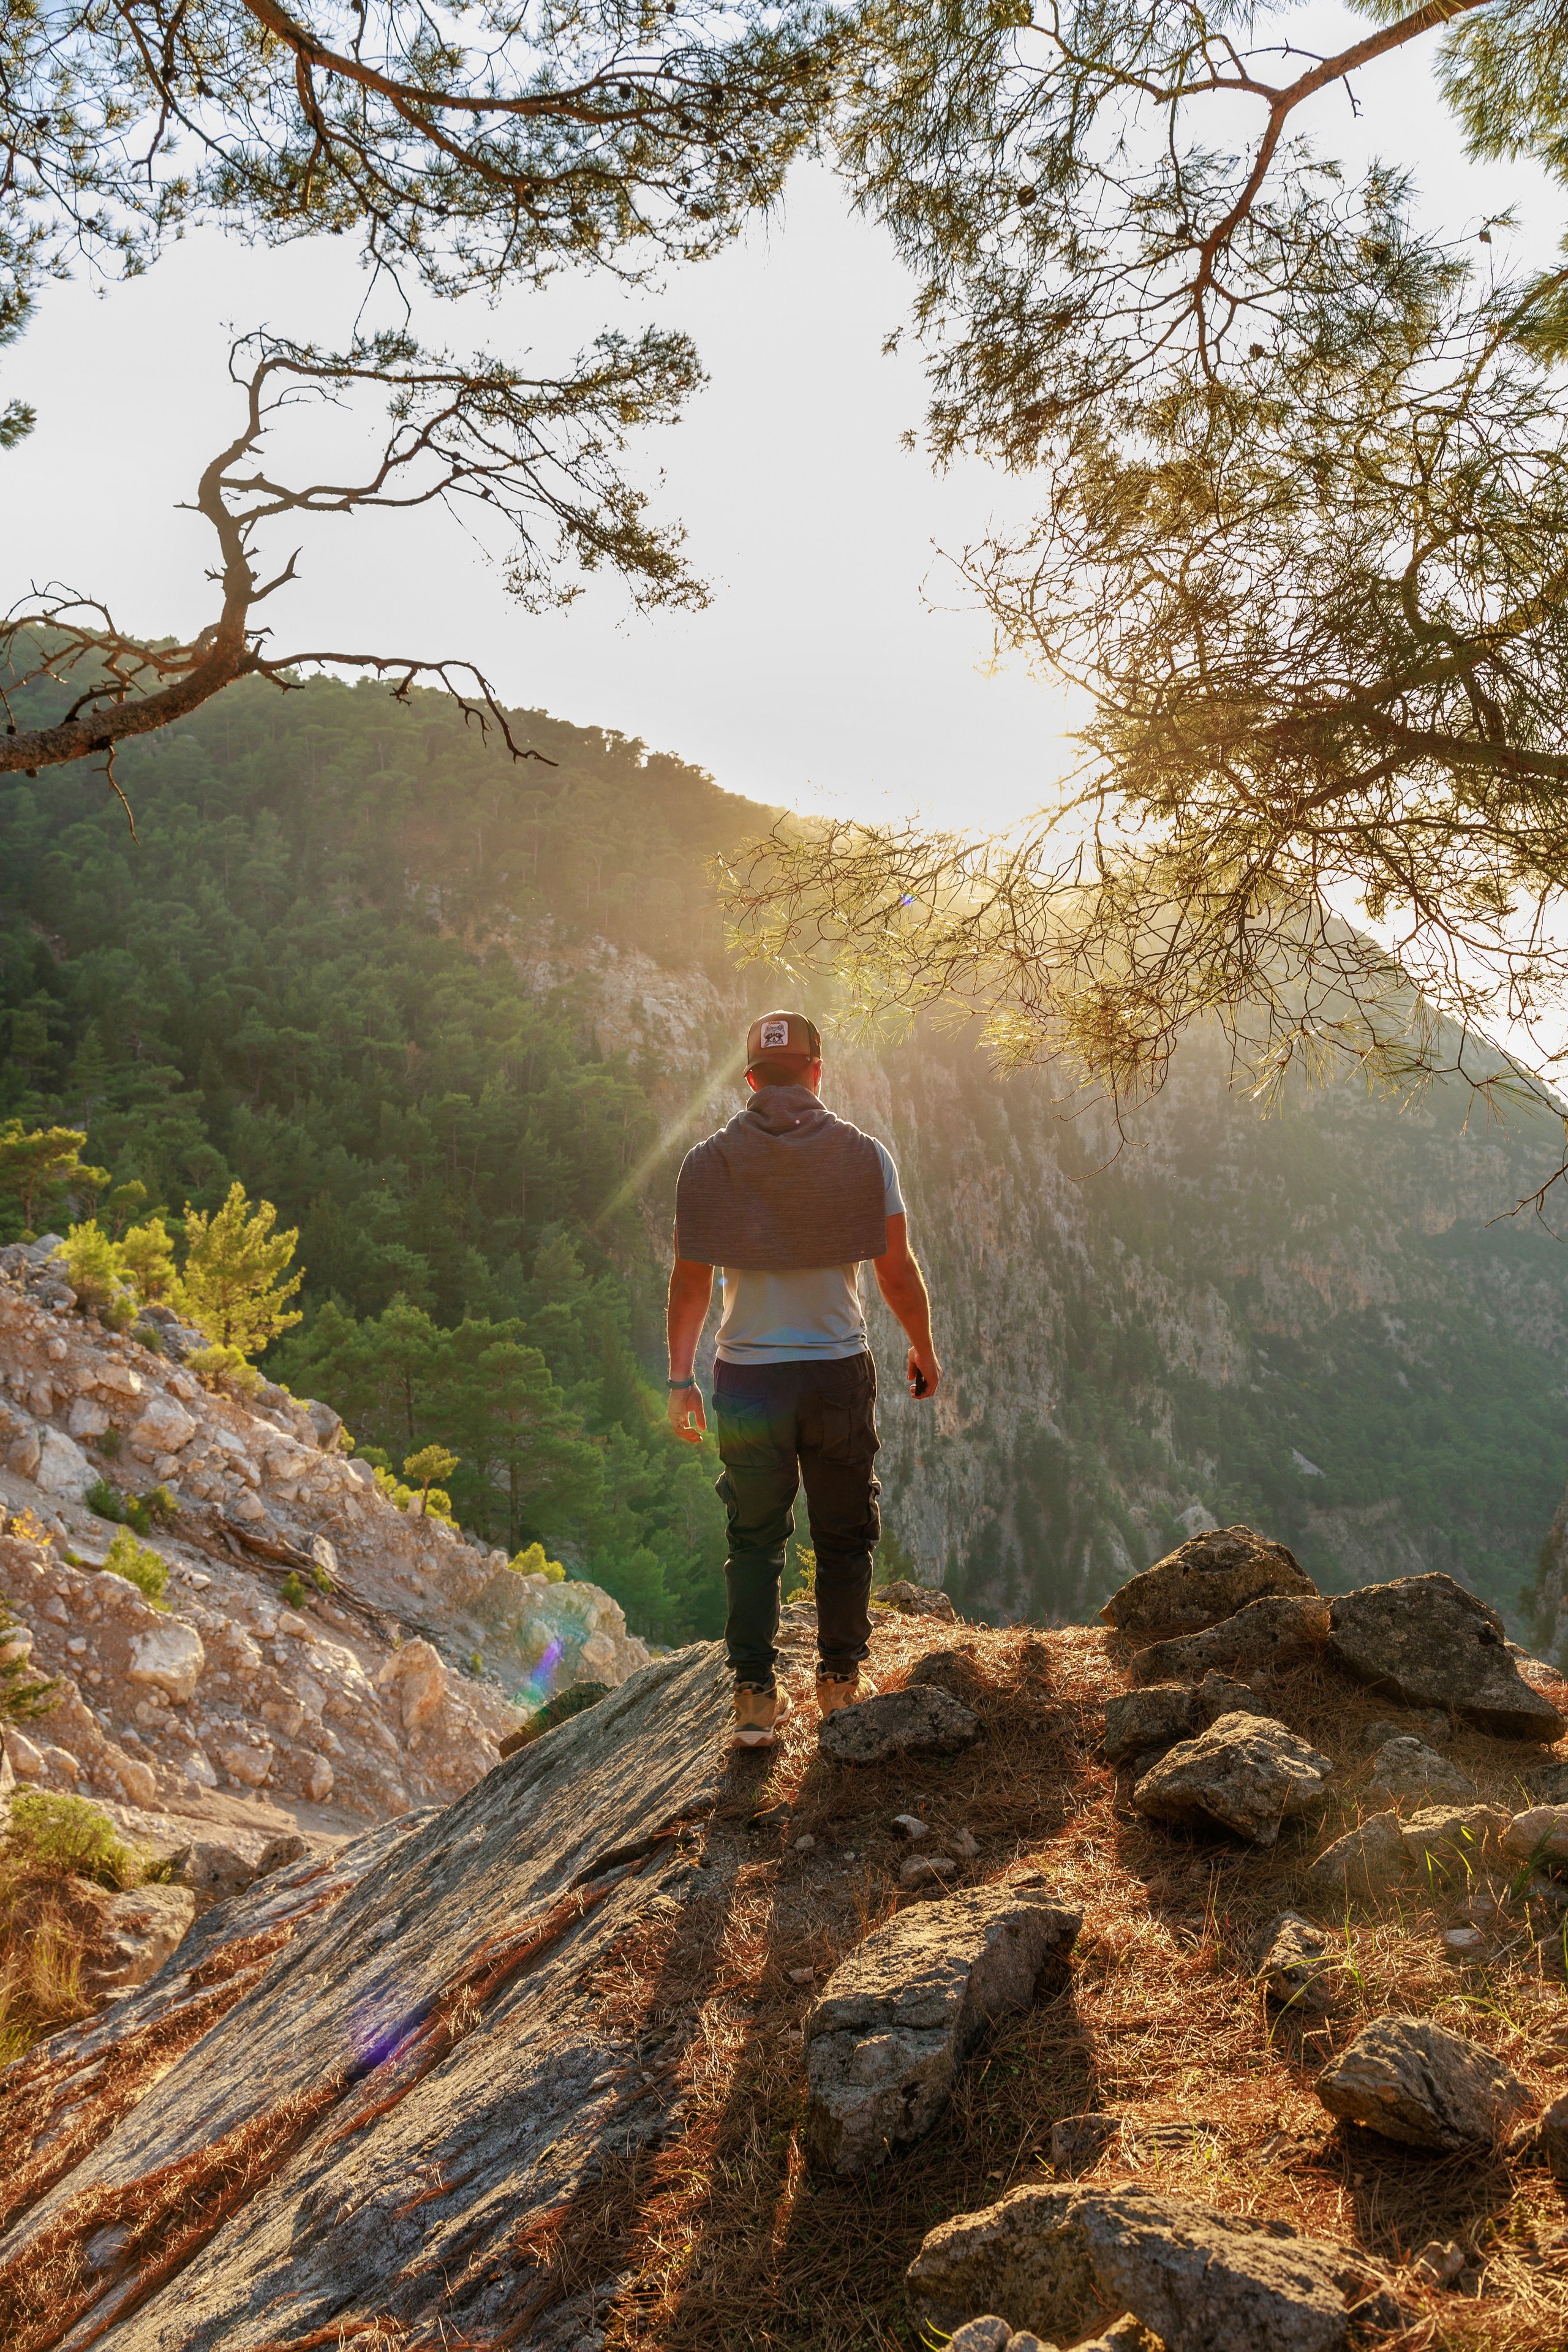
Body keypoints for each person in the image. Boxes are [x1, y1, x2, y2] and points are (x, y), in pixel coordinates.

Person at [666, 1010, 943, 1748]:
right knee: (844, 1536)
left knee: (753, 1539)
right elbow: (895, 1270)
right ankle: (839, 1687)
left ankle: (755, 1700)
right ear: (818, 1073)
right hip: (834, 1372)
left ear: (750, 1079)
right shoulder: (863, 1155)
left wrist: (678, 1380)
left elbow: (690, 1285)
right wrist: (922, 1348)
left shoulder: (706, 1162)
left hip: (747, 1377)